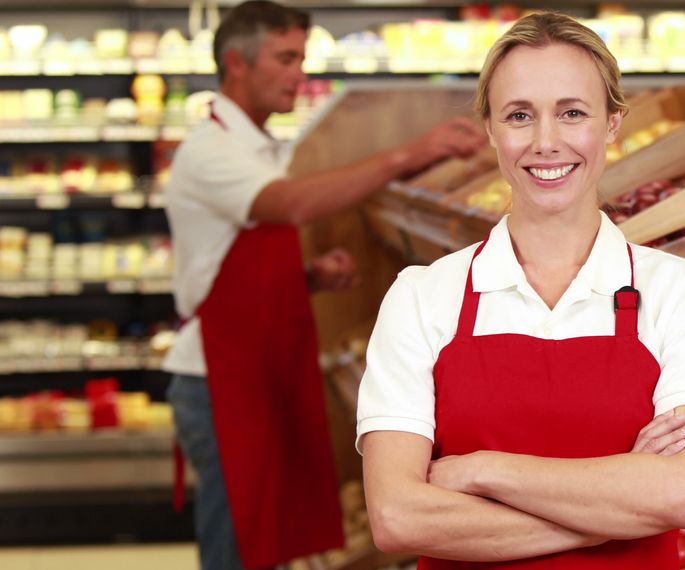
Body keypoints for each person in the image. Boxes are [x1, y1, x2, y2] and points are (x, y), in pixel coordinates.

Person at [356, 12, 685, 569]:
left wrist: (480, 470)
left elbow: (678, 495)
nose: (546, 142)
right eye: (519, 115)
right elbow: (397, 517)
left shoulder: (681, 292)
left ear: (612, 123)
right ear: (490, 128)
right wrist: (612, 513)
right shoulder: (422, 297)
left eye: (572, 113)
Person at [161, 1, 486, 568]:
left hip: (254, 364)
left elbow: (228, 263)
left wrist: (307, 276)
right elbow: (292, 204)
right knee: (236, 541)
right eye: (285, 58)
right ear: (236, 64)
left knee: (262, 533)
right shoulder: (211, 150)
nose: (298, 73)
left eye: (301, 58)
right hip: (218, 378)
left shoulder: (256, 146)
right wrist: (412, 151)